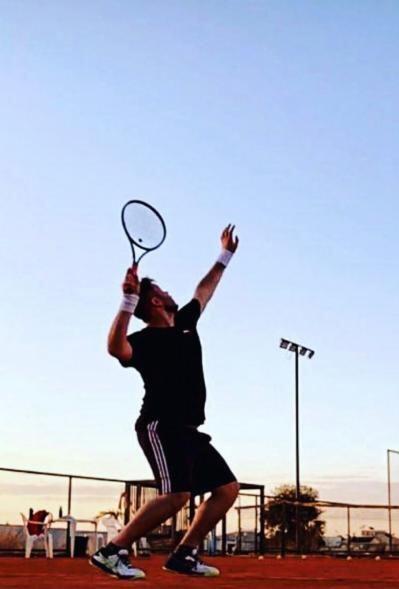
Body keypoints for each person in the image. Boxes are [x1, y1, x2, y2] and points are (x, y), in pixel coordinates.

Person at [90, 224, 240, 579]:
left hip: (188, 429)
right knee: (176, 494)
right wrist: (127, 301)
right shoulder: (143, 341)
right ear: (155, 301)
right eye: (161, 289)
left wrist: (224, 256)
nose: (169, 291)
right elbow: (116, 348)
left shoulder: (186, 322)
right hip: (160, 426)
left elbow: (205, 290)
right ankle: (111, 552)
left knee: (226, 490)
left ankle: (184, 554)